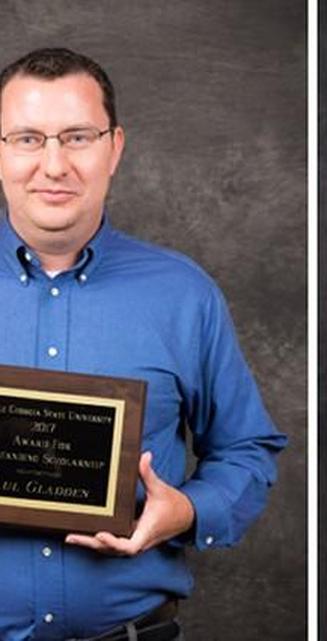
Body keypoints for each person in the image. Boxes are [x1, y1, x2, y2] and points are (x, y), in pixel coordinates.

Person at [0, 48, 286, 640]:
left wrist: (183, 511)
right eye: (28, 138)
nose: (53, 165)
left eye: (77, 137)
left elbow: (246, 449)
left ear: (115, 148)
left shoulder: (183, 294)